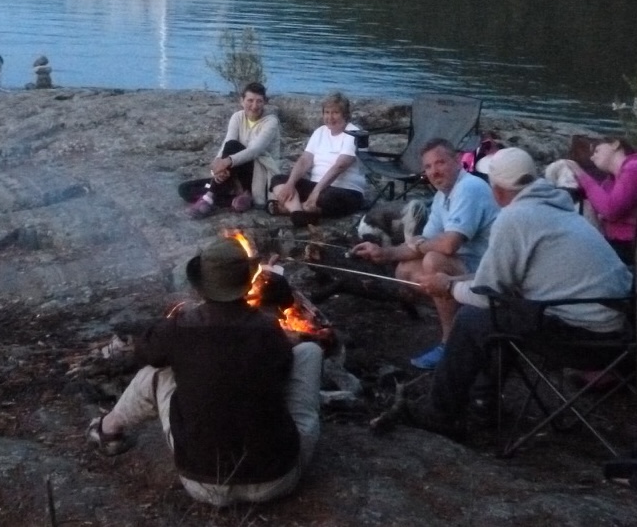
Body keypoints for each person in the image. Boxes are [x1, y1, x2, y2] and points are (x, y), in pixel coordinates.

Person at [370, 147, 633, 439]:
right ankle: (484, 404)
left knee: (475, 318)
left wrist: (449, 286)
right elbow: (498, 283)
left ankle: (440, 413)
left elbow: (486, 296)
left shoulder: (516, 218)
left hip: (587, 340)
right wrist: (457, 280)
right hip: (623, 329)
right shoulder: (559, 208)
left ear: (497, 190)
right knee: (507, 313)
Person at [85, 237, 323, 507]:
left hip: (202, 483)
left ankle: (108, 431)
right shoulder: (269, 329)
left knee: (156, 373)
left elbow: (145, 355)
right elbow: (282, 373)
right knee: (309, 353)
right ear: (247, 283)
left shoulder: (179, 328)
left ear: (202, 286)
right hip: (276, 479)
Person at [351, 138, 499, 370]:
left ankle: (450, 344)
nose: (434, 171)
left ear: (458, 160)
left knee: (432, 260)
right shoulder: (442, 197)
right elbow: (421, 242)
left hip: (490, 274)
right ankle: (463, 321)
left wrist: (422, 247)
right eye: (428, 167)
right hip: (465, 266)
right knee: (405, 269)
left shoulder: (469, 188)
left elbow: (448, 245)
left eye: (440, 163)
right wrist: (384, 253)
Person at [178, 83, 282, 219]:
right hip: (234, 172)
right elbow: (226, 143)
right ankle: (236, 200)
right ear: (242, 101)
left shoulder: (271, 122)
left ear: (265, 102)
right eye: (250, 100)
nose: (254, 106)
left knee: (233, 146)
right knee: (185, 189)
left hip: (258, 174)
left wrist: (227, 162)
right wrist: (217, 167)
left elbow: (255, 150)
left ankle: (209, 198)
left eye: (259, 101)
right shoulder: (237, 117)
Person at [269, 92, 367, 227]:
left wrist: (316, 192)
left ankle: (289, 208)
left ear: (345, 114)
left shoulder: (354, 134)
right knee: (278, 180)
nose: (330, 117)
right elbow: (305, 160)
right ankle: (299, 213)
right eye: (327, 112)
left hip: (345, 190)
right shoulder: (320, 132)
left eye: (335, 113)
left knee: (325, 199)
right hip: (317, 185)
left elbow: (340, 166)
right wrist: (290, 184)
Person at [564, 136, 637, 264]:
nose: (592, 158)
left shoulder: (636, 167)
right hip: (619, 244)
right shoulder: (610, 181)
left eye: (596, 151)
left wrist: (580, 173)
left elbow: (610, 209)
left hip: (634, 247)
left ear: (615, 144)